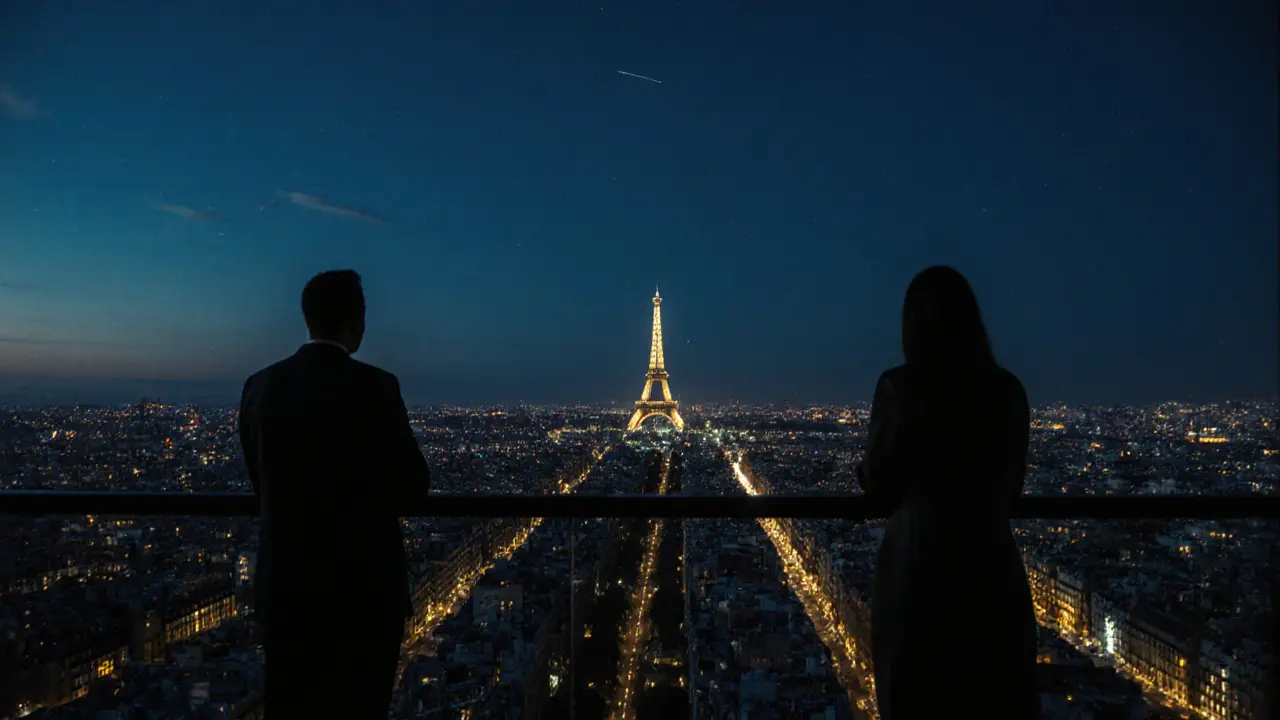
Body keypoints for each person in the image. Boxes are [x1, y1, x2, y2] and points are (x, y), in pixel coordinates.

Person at [238, 269, 430, 718]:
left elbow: (259, 481)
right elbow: (413, 488)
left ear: (308, 319)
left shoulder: (259, 386)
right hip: (363, 594)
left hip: (288, 590)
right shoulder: (376, 387)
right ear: (356, 323)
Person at [856, 266, 1039, 719]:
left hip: (919, 582)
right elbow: (1011, 488)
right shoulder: (1008, 391)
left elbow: (881, 492)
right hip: (993, 580)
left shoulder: (900, 388)